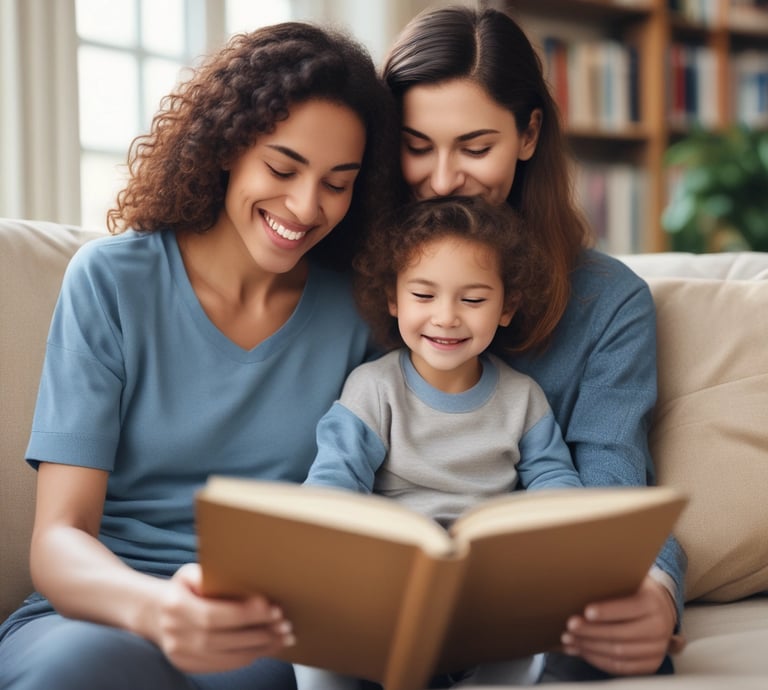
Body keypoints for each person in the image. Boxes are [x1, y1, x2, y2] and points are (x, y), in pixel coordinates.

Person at [0, 21, 399, 690]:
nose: (306, 206)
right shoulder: (112, 280)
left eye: (337, 183)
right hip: (101, 610)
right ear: (227, 146)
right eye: (282, 168)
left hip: (261, 630)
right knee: (86, 668)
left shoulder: (357, 314)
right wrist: (159, 610)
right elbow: (60, 536)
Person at [381, 4, 687, 683]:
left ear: (528, 134)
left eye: (475, 148)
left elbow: (611, 488)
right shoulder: (356, 277)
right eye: (417, 146)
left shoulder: (608, 304)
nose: (442, 180)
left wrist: (655, 589)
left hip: (534, 601)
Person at [295, 195, 584, 690]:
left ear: (507, 307)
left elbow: (554, 480)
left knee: (533, 629)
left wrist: (553, 534)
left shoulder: (523, 398)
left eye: (472, 300)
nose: (446, 317)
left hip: (484, 589)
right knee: (316, 633)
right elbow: (333, 480)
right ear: (394, 299)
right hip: (389, 583)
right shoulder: (374, 388)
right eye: (424, 296)